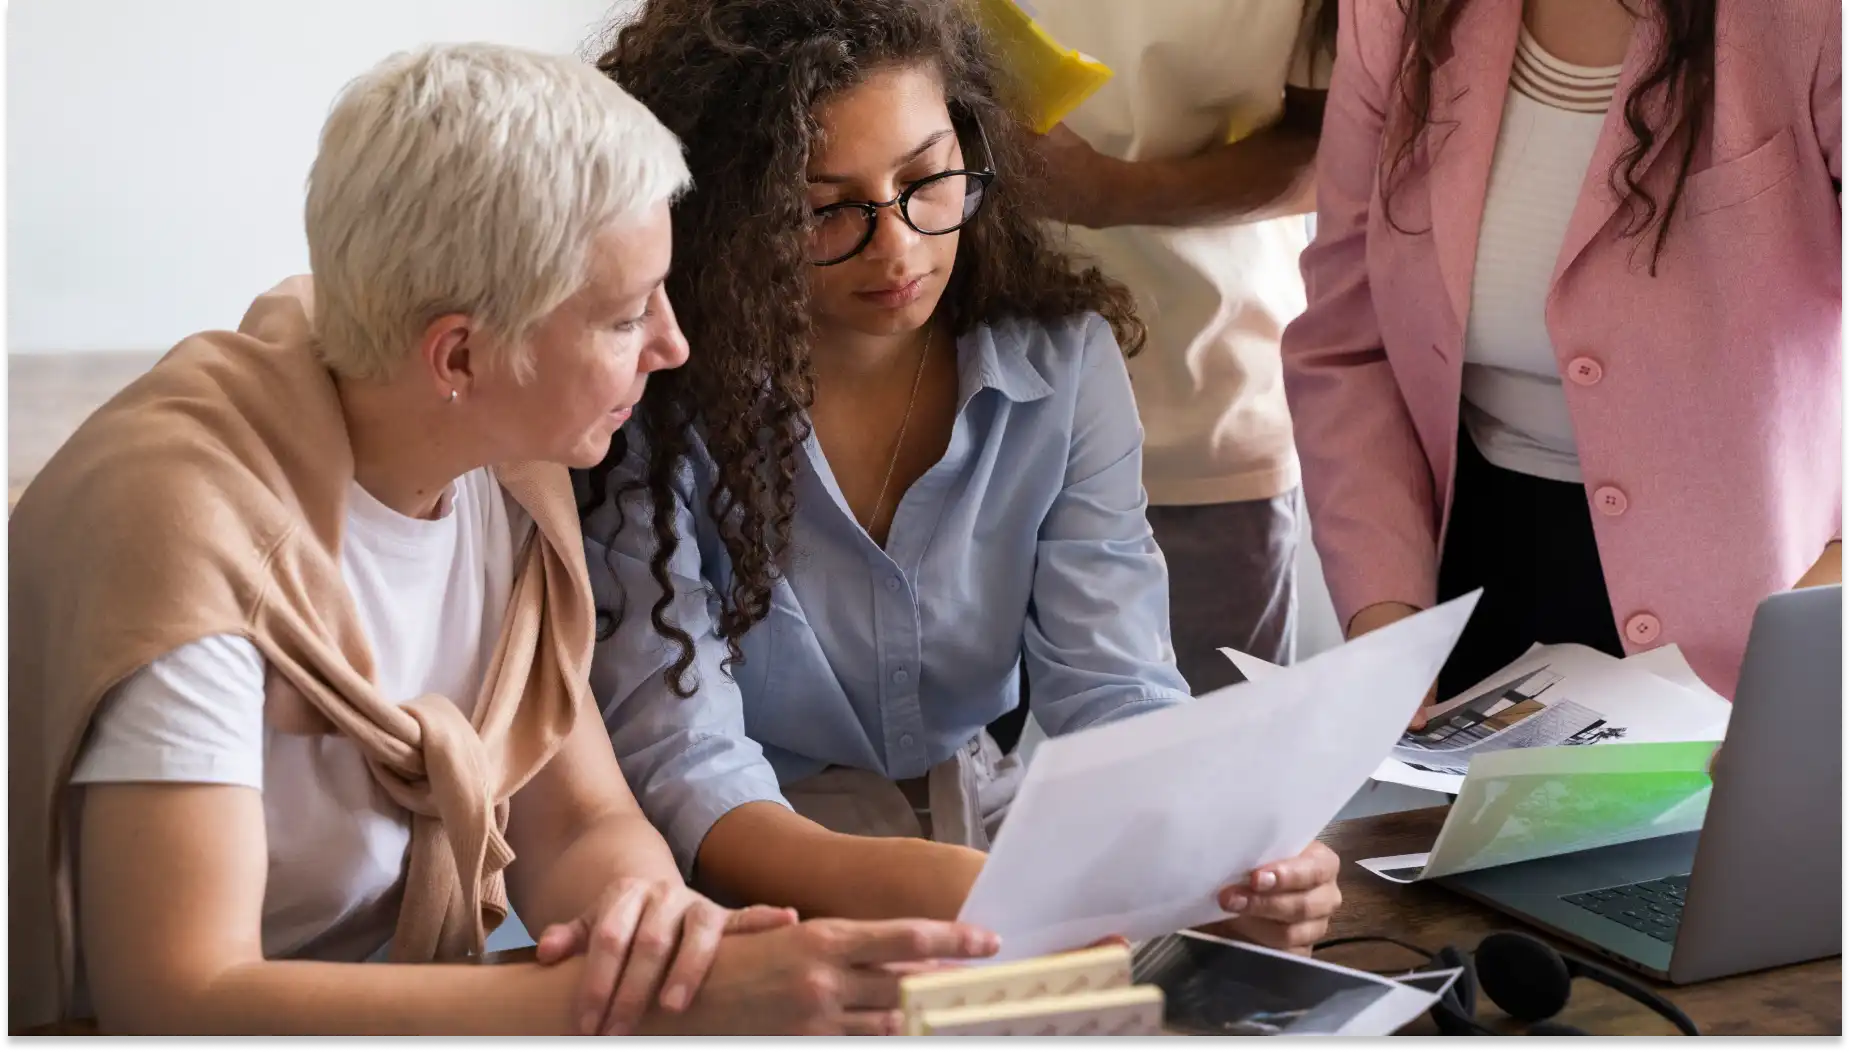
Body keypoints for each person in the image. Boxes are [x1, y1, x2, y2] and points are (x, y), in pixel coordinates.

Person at [8, 42, 998, 1038]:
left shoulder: (502, 469)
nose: (671, 344)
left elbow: (576, 821)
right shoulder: (186, 543)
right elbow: (176, 993)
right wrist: (612, 1008)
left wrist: (656, 937)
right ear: (460, 353)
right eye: (622, 316)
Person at [583, 0, 1341, 954]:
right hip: (745, 893)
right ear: (729, 212)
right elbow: (686, 766)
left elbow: (1115, 692)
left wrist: (1220, 854)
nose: (899, 248)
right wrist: (961, 887)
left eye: (927, 179)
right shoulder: (654, 395)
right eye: (826, 208)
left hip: (985, 851)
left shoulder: (1060, 365)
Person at [1283, 0, 1842, 712]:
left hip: (1769, 602)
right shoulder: (1396, 13)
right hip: (1474, 575)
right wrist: (1390, 630)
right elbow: (1349, 342)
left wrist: (1810, 628)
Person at [1011, 0, 1338, 699]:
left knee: (1213, 770)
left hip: (1196, 399)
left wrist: (1107, 190)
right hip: (952, 398)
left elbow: (1340, 145)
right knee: (937, 786)